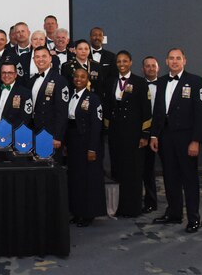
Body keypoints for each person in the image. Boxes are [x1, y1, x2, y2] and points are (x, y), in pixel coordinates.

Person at [150, 48, 202, 233]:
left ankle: (193, 218)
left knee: (189, 179)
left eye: (178, 58)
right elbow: (158, 111)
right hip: (165, 137)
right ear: (166, 61)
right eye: (171, 58)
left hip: (186, 138)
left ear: (184, 60)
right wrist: (154, 135)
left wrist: (196, 140)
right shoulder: (161, 82)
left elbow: (201, 114)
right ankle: (174, 213)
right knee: (170, 177)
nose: (174, 61)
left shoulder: (196, 81)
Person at [103, 51, 151, 217]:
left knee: (134, 171)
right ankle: (119, 206)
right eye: (119, 61)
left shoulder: (140, 82)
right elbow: (107, 107)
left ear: (130, 62)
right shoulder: (110, 82)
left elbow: (146, 109)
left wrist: (145, 135)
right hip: (116, 133)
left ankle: (133, 207)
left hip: (134, 134)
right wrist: (107, 130)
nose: (121, 64)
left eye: (125, 61)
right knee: (118, 169)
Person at [64, 68, 106, 227]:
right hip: (73, 142)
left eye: (82, 77)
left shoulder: (93, 98)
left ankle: (88, 214)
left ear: (87, 79)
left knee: (88, 179)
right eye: (76, 76)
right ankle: (77, 212)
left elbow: (96, 125)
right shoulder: (69, 96)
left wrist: (92, 148)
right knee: (75, 178)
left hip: (87, 143)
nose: (79, 79)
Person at [30, 47, 69, 160]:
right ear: (34, 59)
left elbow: (62, 111)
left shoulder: (59, 80)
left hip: (50, 133)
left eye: (44, 56)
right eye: (37, 57)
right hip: (35, 130)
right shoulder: (32, 80)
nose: (40, 59)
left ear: (50, 58)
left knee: (50, 166)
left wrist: (57, 136)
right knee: (36, 166)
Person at [0, 60, 33, 160]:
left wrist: (6, 134)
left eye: (10, 72)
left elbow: (25, 119)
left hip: (14, 141)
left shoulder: (25, 93)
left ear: (15, 74)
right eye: (4, 72)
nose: (6, 75)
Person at [141, 56, 160, 213]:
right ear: (143, 69)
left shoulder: (165, 85)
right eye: (147, 66)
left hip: (163, 131)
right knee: (147, 169)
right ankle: (150, 202)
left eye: (153, 65)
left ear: (158, 68)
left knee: (171, 168)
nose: (151, 68)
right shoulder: (138, 85)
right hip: (145, 131)